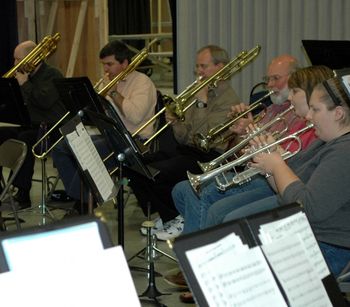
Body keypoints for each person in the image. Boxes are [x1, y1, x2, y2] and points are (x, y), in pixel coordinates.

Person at [171, 55, 316, 236]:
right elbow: (238, 155)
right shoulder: (269, 109)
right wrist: (243, 133)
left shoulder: (303, 116)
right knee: (181, 189)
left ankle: (197, 246)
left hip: (269, 180)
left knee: (209, 198)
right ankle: (199, 236)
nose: (269, 85)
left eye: (276, 78)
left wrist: (260, 140)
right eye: (267, 79)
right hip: (254, 172)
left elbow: (293, 160)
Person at [221, 76, 350, 277]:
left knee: (247, 269)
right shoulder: (327, 141)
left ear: (339, 113)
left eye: (315, 109)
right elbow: (289, 191)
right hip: (307, 233)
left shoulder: (344, 151)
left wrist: (277, 164)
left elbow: (307, 207)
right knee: (237, 250)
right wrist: (270, 166)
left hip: (330, 245)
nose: (308, 116)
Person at [125, 45, 240, 240]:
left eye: (203, 66)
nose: (198, 72)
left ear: (220, 67)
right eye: (197, 67)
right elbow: (184, 137)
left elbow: (205, 137)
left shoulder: (228, 100)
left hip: (209, 156)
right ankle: (169, 214)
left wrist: (202, 104)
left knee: (158, 174)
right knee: (134, 166)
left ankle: (177, 216)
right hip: (188, 150)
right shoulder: (198, 93)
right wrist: (176, 123)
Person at [52, 40, 157, 212]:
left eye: (110, 64)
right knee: (61, 147)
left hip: (134, 139)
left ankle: (83, 205)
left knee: (88, 152)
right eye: (104, 65)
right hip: (110, 135)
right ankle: (77, 196)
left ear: (124, 63)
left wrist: (114, 93)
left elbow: (136, 116)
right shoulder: (106, 81)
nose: (106, 70)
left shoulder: (142, 82)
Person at [0, 40, 66, 208]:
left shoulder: (53, 74)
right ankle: (2, 189)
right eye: (15, 60)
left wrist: (25, 84)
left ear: (32, 58)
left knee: (25, 140)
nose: (15, 64)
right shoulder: (23, 76)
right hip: (30, 126)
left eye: (18, 60)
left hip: (51, 128)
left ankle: (22, 194)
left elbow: (44, 102)